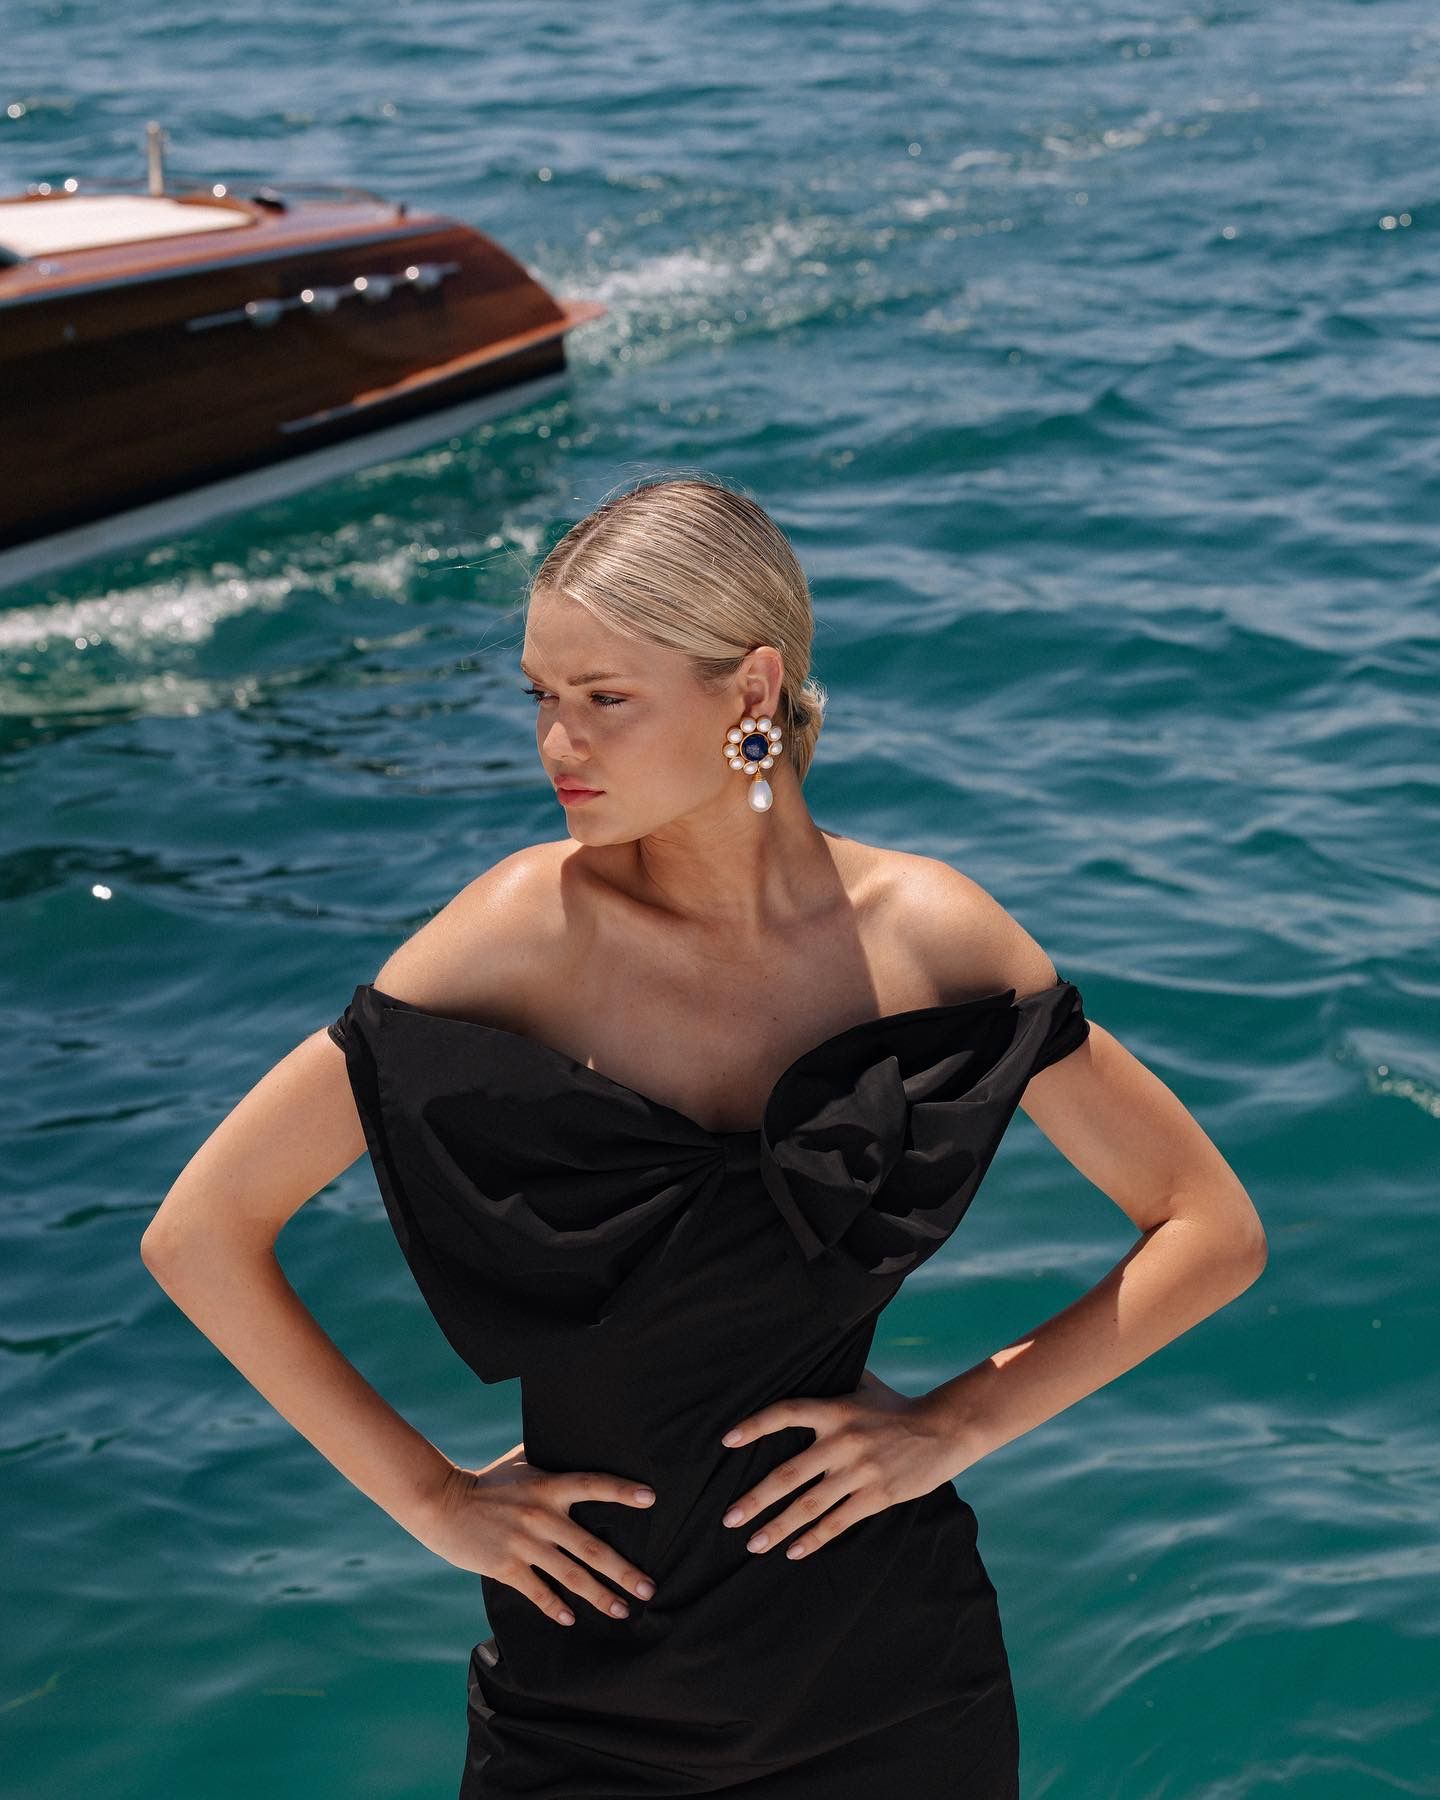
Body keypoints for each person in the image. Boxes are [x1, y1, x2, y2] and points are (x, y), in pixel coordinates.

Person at [142, 473, 1267, 1798]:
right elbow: (201, 1234)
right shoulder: (521, 935)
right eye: (540, 695)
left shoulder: (929, 938)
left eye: (603, 698)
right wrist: (432, 1501)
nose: (557, 741)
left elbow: (1211, 1228)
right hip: (582, 1700)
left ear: (751, 690)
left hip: (893, 1683)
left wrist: (957, 1425)